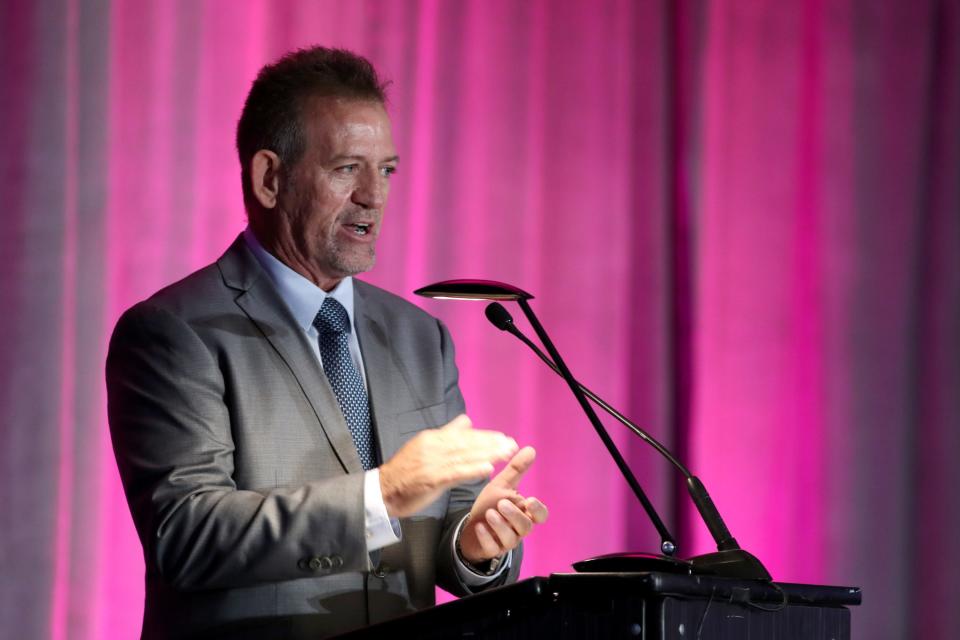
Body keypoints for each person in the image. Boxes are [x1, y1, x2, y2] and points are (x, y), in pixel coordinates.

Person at [106, 46, 547, 640]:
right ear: (269, 178)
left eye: (386, 170)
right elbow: (187, 535)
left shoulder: (420, 338)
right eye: (347, 169)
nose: (374, 195)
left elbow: (447, 530)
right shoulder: (175, 332)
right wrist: (383, 493)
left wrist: (475, 545)